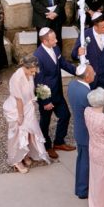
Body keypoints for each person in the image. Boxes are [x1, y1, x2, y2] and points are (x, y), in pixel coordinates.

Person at [33, 27, 77, 159]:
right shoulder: (38, 56)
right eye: (54, 39)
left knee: (65, 115)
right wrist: (46, 101)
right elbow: (38, 82)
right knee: (45, 122)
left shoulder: (56, 49)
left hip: (58, 92)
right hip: (46, 96)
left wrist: (78, 71)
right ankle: (46, 146)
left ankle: (59, 142)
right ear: (45, 41)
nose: (57, 41)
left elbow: (63, 63)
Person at [3, 55, 50, 173]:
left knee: (30, 133)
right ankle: (16, 160)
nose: (34, 74)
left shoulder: (29, 74)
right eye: (32, 71)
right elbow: (18, 99)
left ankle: (25, 154)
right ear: (26, 67)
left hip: (28, 106)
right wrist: (21, 116)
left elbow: (29, 91)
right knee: (18, 134)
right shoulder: (16, 78)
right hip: (17, 109)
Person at [68, 64, 95, 198]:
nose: (95, 73)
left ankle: (80, 187)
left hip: (79, 129)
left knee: (81, 159)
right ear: (87, 76)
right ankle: (83, 190)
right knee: (85, 162)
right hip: (86, 132)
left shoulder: (73, 85)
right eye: (92, 72)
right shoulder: (86, 94)